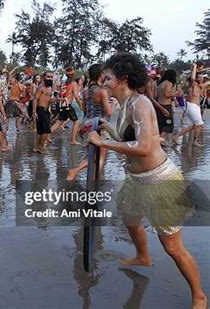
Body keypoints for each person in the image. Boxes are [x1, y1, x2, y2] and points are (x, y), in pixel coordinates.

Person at [88, 53, 206, 309]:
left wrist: (103, 142)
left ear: (123, 78)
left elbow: (143, 147)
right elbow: (122, 133)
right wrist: (103, 125)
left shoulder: (141, 103)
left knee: (173, 248)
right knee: (130, 220)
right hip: (136, 180)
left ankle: (199, 295)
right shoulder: (122, 105)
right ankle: (143, 256)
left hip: (159, 181)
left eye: (107, 78)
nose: (103, 82)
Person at [67, 63, 113, 180]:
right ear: (100, 75)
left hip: (87, 125)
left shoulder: (86, 91)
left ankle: (75, 171)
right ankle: (92, 183)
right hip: (99, 126)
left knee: (91, 156)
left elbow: (84, 109)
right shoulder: (102, 91)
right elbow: (109, 112)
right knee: (101, 157)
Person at [172, 64, 209, 146]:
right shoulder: (193, 84)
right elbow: (192, 78)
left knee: (192, 126)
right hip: (192, 106)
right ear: (196, 77)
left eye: (202, 77)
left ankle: (176, 137)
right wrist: (195, 67)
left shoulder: (199, 85)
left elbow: (206, 83)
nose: (201, 78)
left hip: (193, 107)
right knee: (199, 124)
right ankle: (195, 141)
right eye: (199, 77)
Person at [50, 67, 82, 145]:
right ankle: (73, 140)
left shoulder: (64, 83)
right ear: (73, 74)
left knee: (59, 122)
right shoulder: (73, 83)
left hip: (62, 104)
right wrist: (81, 105)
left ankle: (47, 134)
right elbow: (77, 96)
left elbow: (61, 94)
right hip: (67, 105)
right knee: (77, 122)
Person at [156, 69, 180, 144]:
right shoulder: (169, 83)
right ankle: (160, 140)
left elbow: (157, 95)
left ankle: (161, 141)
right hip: (166, 106)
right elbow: (167, 94)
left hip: (159, 106)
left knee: (161, 125)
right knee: (168, 125)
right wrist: (175, 94)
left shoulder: (160, 83)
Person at [32, 71, 54, 153]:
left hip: (46, 110)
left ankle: (38, 147)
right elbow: (35, 99)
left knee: (42, 131)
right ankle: (41, 148)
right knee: (46, 130)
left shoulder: (50, 88)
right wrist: (34, 112)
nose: (50, 78)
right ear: (44, 77)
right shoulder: (40, 87)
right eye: (48, 77)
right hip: (40, 109)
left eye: (51, 77)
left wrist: (54, 100)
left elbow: (49, 100)